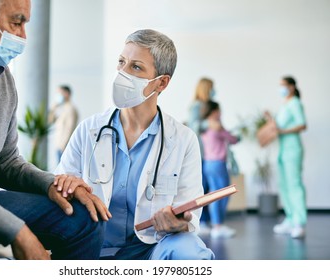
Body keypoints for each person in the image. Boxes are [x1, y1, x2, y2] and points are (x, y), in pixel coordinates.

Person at [0, 0, 109, 260]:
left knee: (83, 217)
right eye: (16, 23)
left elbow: (6, 162)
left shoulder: (2, 77)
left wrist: (52, 185)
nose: (23, 36)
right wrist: (17, 230)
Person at [54, 29, 214, 260]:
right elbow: (61, 187)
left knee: (189, 251)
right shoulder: (89, 131)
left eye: (136, 67)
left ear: (161, 83)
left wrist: (178, 223)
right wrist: (70, 188)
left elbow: (189, 213)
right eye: (121, 62)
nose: (122, 72)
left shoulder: (183, 139)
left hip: (152, 247)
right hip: (92, 246)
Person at [270, 76, 307, 239]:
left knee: (294, 185)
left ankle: (299, 223)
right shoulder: (285, 105)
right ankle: (290, 219)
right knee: (284, 185)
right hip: (283, 150)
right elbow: (278, 126)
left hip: (293, 150)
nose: (281, 89)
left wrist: (283, 132)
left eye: (283, 85)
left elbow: (302, 124)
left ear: (292, 87)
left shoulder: (295, 103)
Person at [200, 101, 240, 239]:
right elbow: (232, 139)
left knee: (214, 194)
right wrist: (237, 136)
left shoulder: (203, 126)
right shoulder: (217, 125)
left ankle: (216, 225)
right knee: (222, 194)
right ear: (214, 111)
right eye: (219, 110)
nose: (221, 113)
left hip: (207, 164)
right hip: (218, 164)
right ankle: (218, 226)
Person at [187, 77, 215, 236]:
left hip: (210, 153)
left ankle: (208, 220)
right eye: (211, 88)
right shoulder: (196, 106)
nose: (213, 91)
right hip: (201, 153)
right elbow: (193, 127)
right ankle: (202, 221)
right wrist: (207, 124)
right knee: (202, 188)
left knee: (209, 188)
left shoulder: (209, 106)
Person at [49, 85, 79, 163]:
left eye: (60, 93)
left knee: (62, 173)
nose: (58, 95)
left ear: (66, 94)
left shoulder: (71, 109)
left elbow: (70, 129)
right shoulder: (62, 108)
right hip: (59, 145)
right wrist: (53, 108)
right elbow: (50, 121)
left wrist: (64, 146)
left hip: (64, 147)